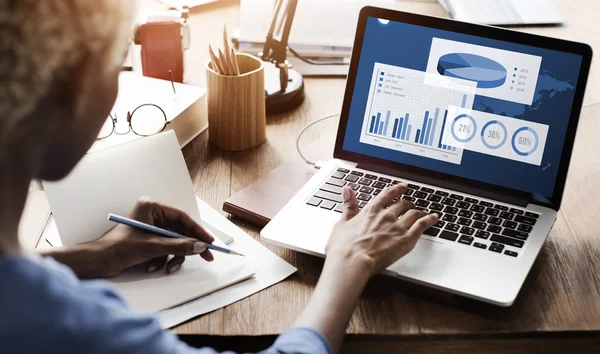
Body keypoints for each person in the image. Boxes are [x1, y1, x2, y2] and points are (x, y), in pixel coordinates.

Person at [0, 1, 438, 353]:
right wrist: (349, 262)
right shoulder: (77, 328)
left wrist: (94, 255)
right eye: (117, 65)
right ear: (70, 87)